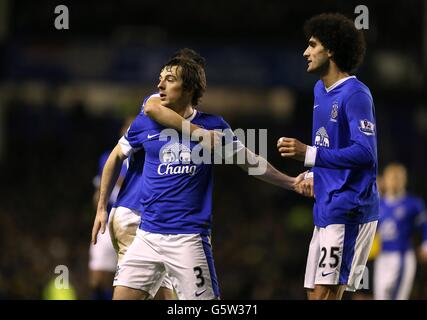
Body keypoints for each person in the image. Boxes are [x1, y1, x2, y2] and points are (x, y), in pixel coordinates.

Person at [92, 55, 304, 300]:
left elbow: (250, 162)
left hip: (187, 240)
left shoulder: (214, 126)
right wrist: (101, 209)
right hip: (146, 237)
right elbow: (114, 158)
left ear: (189, 88)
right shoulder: (146, 121)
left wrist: (291, 182)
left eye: (169, 80)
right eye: (160, 79)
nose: (160, 85)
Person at [277, 13, 379, 300]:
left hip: (350, 205)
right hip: (326, 203)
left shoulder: (356, 94)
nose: (305, 52)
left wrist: (309, 154)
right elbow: (330, 143)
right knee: (313, 292)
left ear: (331, 49)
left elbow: (365, 153)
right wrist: (313, 173)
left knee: (326, 293)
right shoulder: (320, 89)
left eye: (312, 45)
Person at [374, 163, 427, 300]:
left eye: (398, 177)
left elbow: (424, 225)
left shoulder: (413, 204)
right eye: (392, 177)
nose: (394, 181)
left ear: (404, 179)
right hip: (382, 256)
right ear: (385, 179)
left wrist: (425, 244)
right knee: (380, 296)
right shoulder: (378, 203)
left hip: (402, 255)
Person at [89, 141, 126, 300]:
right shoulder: (109, 156)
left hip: (133, 225)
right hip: (107, 223)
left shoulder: (146, 157)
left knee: (122, 282)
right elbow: (98, 193)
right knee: (97, 279)